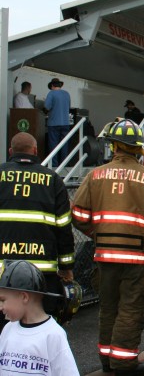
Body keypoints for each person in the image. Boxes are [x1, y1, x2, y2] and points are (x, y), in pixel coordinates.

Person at [71, 118, 144, 376]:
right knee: (131, 308)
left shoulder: (94, 176)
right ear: (138, 149)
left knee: (108, 307)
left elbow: (79, 214)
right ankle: (125, 363)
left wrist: (98, 233)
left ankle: (107, 360)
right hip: (137, 257)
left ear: (113, 145)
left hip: (104, 254)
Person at [0, 132, 75, 333]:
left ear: (10, 152)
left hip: (2, 270)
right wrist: (66, 267)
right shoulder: (53, 180)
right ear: (35, 151)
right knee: (38, 327)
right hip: (43, 273)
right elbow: (63, 227)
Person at [0, 260, 79, 376]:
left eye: (2, 300)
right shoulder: (8, 330)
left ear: (24, 297)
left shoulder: (53, 335)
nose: (0, 307)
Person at [44, 78, 71, 166]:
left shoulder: (51, 93)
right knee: (64, 144)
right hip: (66, 123)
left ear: (52, 86)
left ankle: (54, 165)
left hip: (53, 123)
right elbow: (69, 107)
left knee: (53, 144)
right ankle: (64, 164)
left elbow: (47, 107)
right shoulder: (67, 94)